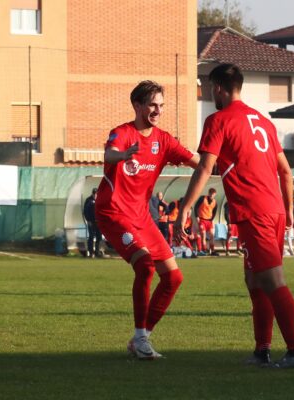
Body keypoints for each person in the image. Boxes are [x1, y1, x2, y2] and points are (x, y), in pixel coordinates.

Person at [176, 63, 294, 368]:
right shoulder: (262, 121)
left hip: (256, 210)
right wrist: (287, 210)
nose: (212, 95)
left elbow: (205, 167)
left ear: (219, 88)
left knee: (273, 280)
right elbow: (285, 171)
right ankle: (262, 351)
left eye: (212, 89)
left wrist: (185, 207)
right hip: (271, 208)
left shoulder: (218, 120)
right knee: (255, 280)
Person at [94, 80, 199, 359]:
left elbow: (198, 162)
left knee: (174, 277)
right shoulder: (123, 133)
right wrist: (122, 155)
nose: (158, 110)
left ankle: (142, 338)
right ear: (137, 105)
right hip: (114, 212)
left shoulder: (163, 141)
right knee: (145, 266)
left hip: (141, 217)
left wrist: (230, 166)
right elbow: (108, 153)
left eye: (161, 105)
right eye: (152, 104)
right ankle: (141, 340)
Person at [195, 188, 219, 256]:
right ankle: (204, 250)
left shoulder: (215, 202)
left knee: (212, 235)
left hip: (209, 221)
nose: (211, 195)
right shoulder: (202, 198)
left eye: (213, 194)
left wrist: (211, 219)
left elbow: (214, 212)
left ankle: (212, 250)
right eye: (210, 194)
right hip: (202, 220)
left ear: (215, 194)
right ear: (208, 193)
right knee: (203, 235)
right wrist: (197, 216)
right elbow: (196, 207)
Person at [83, 188, 102, 258]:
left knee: (99, 237)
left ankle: (97, 252)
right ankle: (90, 252)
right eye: (94, 193)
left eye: (96, 193)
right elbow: (85, 211)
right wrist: (88, 220)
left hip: (99, 222)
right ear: (92, 193)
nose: (95, 195)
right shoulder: (89, 200)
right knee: (91, 237)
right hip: (91, 222)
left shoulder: (100, 199)